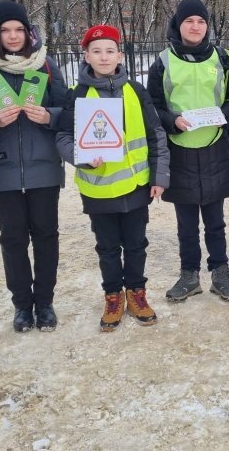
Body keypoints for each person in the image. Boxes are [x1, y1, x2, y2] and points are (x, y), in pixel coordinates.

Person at [56, 25, 170, 329]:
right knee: (106, 247)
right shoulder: (78, 94)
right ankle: (112, 295)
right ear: (86, 56)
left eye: (110, 51)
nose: (104, 57)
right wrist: (81, 159)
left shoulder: (135, 90)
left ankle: (136, 292)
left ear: (120, 55)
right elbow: (63, 137)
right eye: (97, 51)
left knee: (136, 244)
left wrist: (159, 176)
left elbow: (155, 134)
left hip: (136, 185)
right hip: (98, 189)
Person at [0, 0, 67, 333]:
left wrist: (49, 116)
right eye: (5, 30)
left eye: (18, 29)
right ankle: (22, 306)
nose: (12, 36)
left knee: (46, 236)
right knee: (12, 239)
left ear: (28, 32)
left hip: (43, 168)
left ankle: (45, 302)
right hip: (0, 169)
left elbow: (70, 112)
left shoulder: (46, 64)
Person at [147, 0, 229, 302]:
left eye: (201, 21)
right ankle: (189, 275)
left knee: (215, 221)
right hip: (180, 150)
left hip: (213, 148)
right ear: (179, 24)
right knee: (186, 223)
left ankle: (220, 274)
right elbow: (153, 108)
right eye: (189, 21)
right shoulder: (162, 61)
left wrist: (225, 114)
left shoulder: (224, 59)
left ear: (207, 26)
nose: (195, 26)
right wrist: (173, 121)